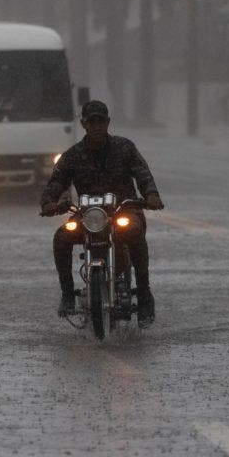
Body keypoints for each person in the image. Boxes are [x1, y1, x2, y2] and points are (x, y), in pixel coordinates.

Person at [39, 100, 165, 323]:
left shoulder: (125, 147)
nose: (97, 125)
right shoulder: (73, 155)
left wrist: (151, 195)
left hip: (123, 211)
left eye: (101, 121)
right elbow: (56, 182)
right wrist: (49, 202)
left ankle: (144, 294)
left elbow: (143, 173)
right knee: (61, 237)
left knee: (134, 232)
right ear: (83, 124)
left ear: (108, 122)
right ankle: (67, 294)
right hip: (88, 216)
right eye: (91, 121)